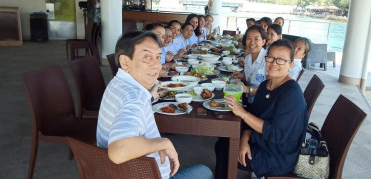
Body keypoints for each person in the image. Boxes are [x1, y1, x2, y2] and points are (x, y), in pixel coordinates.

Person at [96, 31, 213, 179]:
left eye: (158, 57)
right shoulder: (135, 97)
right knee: (205, 171)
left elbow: (129, 106)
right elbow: (118, 151)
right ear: (125, 62)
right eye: (146, 57)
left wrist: (150, 97)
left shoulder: (117, 84)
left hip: (119, 172)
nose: (156, 65)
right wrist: (162, 143)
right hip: (143, 173)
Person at [218, 39, 308, 177]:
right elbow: (255, 113)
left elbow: (277, 134)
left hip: (277, 154)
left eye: (281, 60)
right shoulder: (266, 85)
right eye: (270, 57)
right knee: (224, 140)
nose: (273, 63)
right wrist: (244, 140)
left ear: (291, 65)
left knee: (224, 148)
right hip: (261, 140)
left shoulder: (291, 94)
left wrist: (243, 114)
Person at [231, 25, 268, 105]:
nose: (252, 42)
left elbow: (270, 89)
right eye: (248, 38)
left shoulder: (268, 60)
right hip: (249, 101)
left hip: (262, 105)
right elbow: (254, 79)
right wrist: (242, 76)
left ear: (263, 41)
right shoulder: (248, 58)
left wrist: (247, 89)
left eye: (256, 39)